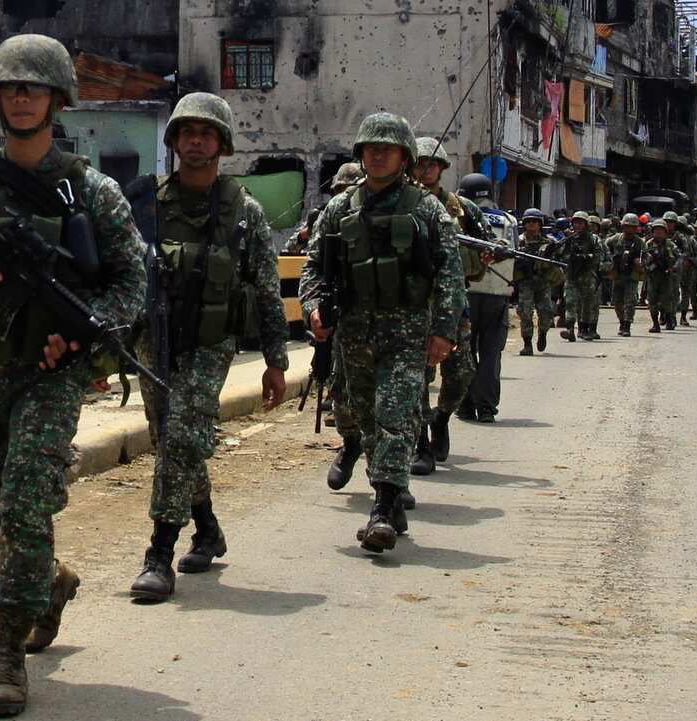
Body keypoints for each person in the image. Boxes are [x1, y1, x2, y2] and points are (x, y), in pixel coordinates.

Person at [0, 34, 147, 717]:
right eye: (11, 87)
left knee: (25, 500)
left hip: (52, 372)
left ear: (57, 100)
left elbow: (132, 282)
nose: (21, 97)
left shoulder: (91, 191)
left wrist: (82, 335)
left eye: (34, 88)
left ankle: (6, 650)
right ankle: (50, 580)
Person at [128, 92, 290, 601]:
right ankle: (207, 528)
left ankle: (159, 554)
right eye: (187, 132)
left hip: (210, 343)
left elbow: (267, 290)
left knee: (181, 437)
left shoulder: (244, 212)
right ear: (174, 141)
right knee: (171, 441)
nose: (196, 141)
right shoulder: (145, 204)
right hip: (154, 343)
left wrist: (276, 362)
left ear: (222, 144)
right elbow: (119, 279)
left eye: (206, 133)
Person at [300, 112, 465, 553]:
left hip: (406, 332)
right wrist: (313, 308)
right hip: (354, 333)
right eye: (371, 148)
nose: (378, 155)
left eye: (388, 149)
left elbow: (450, 274)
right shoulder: (341, 208)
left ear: (404, 156)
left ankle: (383, 508)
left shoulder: (426, 209)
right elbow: (313, 266)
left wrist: (444, 330)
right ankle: (390, 498)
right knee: (366, 419)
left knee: (395, 415)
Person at [409, 137, 482, 473]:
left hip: (452, 303)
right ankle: (421, 442)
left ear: (441, 168)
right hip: (413, 302)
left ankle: (440, 417)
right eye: (419, 164)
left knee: (462, 373)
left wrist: (487, 253)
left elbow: (486, 240)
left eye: (432, 164)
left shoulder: (460, 208)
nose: (425, 170)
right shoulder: (404, 203)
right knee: (417, 377)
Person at [457, 173, 514, 425]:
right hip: (497, 295)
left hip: (466, 292)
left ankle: (465, 405)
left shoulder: (458, 216)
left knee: (464, 352)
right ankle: (487, 408)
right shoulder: (509, 220)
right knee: (491, 354)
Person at [285, 163, 363, 255]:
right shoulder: (325, 213)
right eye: (341, 189)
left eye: (351, 190)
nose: (345, 195)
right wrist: (307, 232)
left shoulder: (367, 211)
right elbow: (290, 247)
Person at [514, 208, 561, 355]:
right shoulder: (518, 241)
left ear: (540, 224)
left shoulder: (549, 242)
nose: (532, 224)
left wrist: (552, 253)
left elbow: (560, 259)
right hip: (525, 282)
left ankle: (543, 333)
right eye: (528, 221)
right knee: (525, 312)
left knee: (546, 311)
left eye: (535, 221)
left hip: (543, 281)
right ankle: (527, 343)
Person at [560, 211, 601, 341]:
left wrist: (585, 257)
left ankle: (585, 329)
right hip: (571, 274)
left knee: (587, 304)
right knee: (570, 302)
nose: (577, 225)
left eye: (580, 223)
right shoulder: (569, 239)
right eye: (575, 223)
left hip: (587, 275)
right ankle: (570, 329)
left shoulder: (594, 239)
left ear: (586, 224)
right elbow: (561, 255)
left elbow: (598, 256)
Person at [604, 213, 644, 336]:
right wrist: (610, 260)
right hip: (617, 274)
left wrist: (640, 262)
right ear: (623, 226)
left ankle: (627, 325)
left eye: (633, 227)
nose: (630, 229)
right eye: (627, 226)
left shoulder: (640, 242)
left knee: (630, 301)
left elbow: (646, 256)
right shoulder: (615, 239)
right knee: (617, 302)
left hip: (632, 274)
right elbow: (604, 248)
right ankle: (621, 321)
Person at [642, 218, 678, 333]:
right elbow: (642, 259)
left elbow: (679, 258)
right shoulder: (648, 244)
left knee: (667, 299)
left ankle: (669, 319)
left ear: (665, 232)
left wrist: (673, 268)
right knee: (652, 300)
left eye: (661, 230)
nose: (658, 232)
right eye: (656, 230)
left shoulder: (670, 244)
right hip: (652, 276)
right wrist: (648, 262)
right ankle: (655, 323)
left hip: (666, 276)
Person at [674, 214, 697, 326]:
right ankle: (668, 315)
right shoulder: (667, 237)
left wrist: (690, 261)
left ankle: (683, 316)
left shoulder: (690, 240)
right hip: (672, 269)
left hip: (686, 270)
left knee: (686, 293)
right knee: (670, 292)